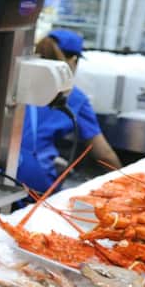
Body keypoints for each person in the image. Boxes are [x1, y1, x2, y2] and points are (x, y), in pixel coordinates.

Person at [17, 30, 120, 195]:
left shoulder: (17, 83)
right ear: (73, 60)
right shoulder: (74, 97)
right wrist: (126, 179)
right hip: (35, 182)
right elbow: (104, 154)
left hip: (1, 172)